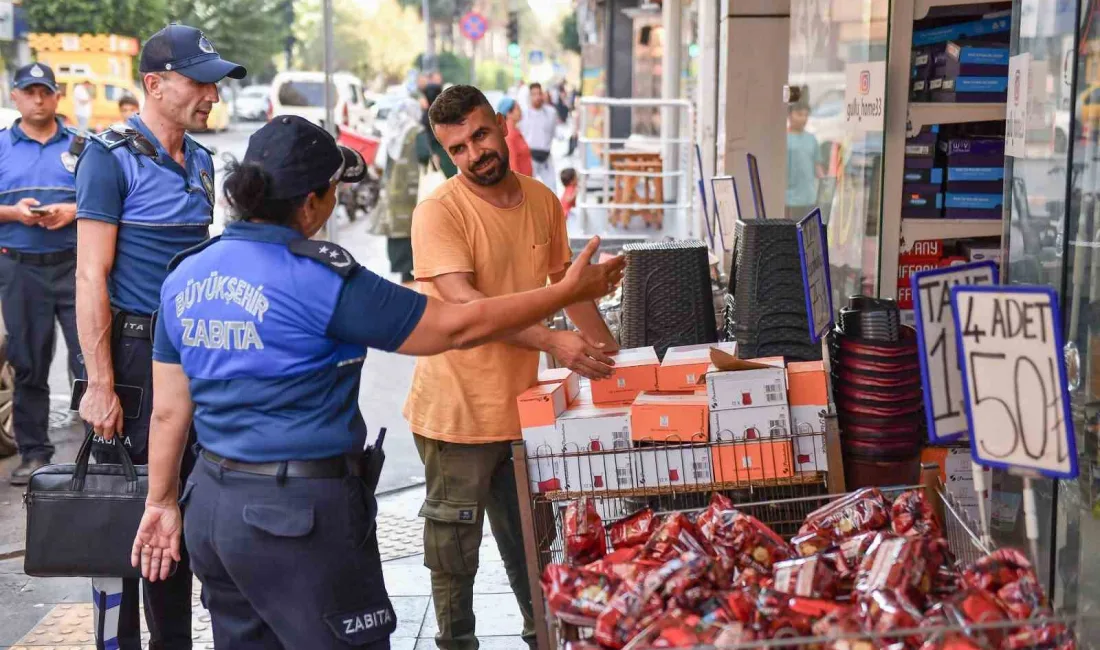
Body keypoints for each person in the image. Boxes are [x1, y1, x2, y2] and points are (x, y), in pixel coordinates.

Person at [129, 114, 625, 650]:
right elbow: (456, 327)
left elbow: (168, 412)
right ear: (312, 201)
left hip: (212, 514)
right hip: (300, 520)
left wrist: (160, 503)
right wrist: (567, 291)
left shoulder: (187, 274)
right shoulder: (321, 279)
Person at [406, 85, 620, 650]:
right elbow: (467, 307)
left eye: (479, 135)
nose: (473, 153)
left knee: (533, 547)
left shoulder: (543, 199)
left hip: (524, 411)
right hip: (456, 414)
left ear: (501, 125)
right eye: (457, 148)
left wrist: (616, 360)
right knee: (454, 559)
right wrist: (554, 340)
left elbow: (566, 290)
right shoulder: (439, 211)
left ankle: (542, 639)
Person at [75, 23, 245, 650]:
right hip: (134, 356)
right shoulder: (108, 156)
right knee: (131, 511)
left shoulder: (201, 161)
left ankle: (173, 640)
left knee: (185, 505)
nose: (212, 96)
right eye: (201, 82)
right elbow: (91, 274)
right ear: (155, 83)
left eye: (215, 84)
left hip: (195, 354)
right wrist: (99, 384)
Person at [0, 62, 83, 484]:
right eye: (29, 92)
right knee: (28, 363)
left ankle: (100, 448)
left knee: (90, 358)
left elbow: (110, 202)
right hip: (20, 268)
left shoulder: (83, 146)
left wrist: (73, 210)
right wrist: (13, 213)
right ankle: (34, 452)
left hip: (75, 266)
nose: (38, 99)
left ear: (56, 96)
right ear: (15, 96)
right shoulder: (0, 146)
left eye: (45, 92)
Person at [375, 98, 423, 285]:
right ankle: (409, 275)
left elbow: (379, 164)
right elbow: (426, 156)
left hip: (392, 195)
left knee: (397, 231)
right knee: (412, 231)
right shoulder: (416, 133)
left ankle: (404, 274)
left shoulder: (391, 133)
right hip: (413, 192)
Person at [785, 101, 823, 220]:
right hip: (789, 200)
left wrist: (826, 184)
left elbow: (817, 167)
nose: (804, 119)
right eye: (799, 114)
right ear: (789, 115)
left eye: (806, 115)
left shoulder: (811, 139)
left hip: (809, 199)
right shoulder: (784, 139)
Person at [520, 82, 559, 190]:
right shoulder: (523, 114)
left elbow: (553, 132)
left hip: (546, 155)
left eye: (539, 93)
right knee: (528, 189)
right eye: (534, 94)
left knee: (552, 189)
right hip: (530, 156)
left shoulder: (551, 113)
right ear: (530, 96)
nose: (537, 97)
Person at [420, 83, 457, 179]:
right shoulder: (446, 111)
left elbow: (427, 137)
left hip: (440, 149)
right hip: (446, 148)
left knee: (452, 177)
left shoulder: (427, 115)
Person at [497, 96, 532, 177]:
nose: (520, 111)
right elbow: (512, 165)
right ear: (509, 113)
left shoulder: (515, 131)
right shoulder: (509, 135)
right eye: (518, 108)